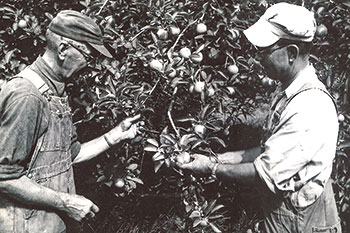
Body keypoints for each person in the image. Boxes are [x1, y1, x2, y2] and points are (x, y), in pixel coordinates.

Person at [178, 3, 342, 233]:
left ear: (292, 53)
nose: (258, 58)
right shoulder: (288, 92)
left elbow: (264, 173)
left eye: (264, 51)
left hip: (304, 224)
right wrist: (221, 158)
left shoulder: (309, 107)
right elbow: (271, 151)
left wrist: (210, 168)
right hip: (286, 216)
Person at [0, 10, 143, 233]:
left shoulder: (55, 92)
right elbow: (4, 177)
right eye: (88, 55)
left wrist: (115, 135)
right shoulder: (27, 96)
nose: (90, 65)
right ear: (64, 49)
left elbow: (70, 155)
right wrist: (67, 202)